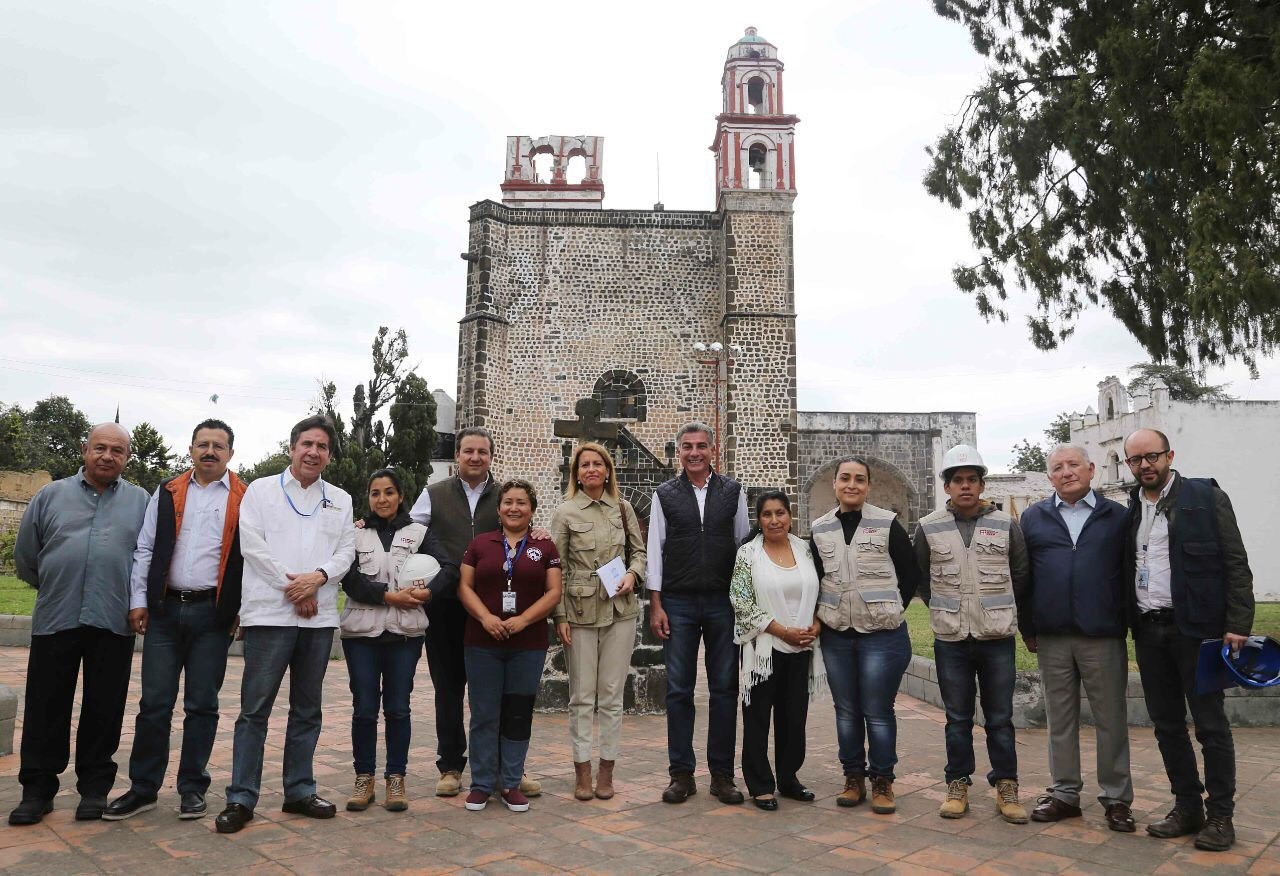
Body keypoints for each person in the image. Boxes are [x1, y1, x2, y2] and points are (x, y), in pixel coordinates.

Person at [215, 415, 356, 834]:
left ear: (329, 455)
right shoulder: (260, 491)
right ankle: (241, 797)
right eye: (306, 444)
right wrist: (293, 587)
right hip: (270, 614)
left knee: (307, 710)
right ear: (292, 447)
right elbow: (252, 545)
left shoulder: (341, 499)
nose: (313, 452)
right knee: (254, 711)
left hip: (318, 618)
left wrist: (318, 579)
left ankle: (299, 790)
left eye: (322, 447)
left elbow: (346, 549)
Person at [104, 420, 247, 823]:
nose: (210, 451)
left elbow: (251, 558)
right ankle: (144, 788)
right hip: (165, 613)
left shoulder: (244, 496)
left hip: (212, 616)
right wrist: (138, 601)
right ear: (190, 449)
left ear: (231, 454)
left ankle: (192, 788)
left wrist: (243, 609)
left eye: (218, 446)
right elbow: (145, 547)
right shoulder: (167, 491)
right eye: (203, 444)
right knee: (154, 705)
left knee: (202, 705)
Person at [9, 423, 149, 826]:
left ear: (127, 458)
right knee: (45, 706)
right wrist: (55, 582)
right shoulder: (50, 495)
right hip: (57, 615)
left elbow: (147, 554)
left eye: (117, 451)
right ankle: (37, 791)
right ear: (85, 449)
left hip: (112, 618)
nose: (108, 456)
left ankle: (94, 790)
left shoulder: (140, 501)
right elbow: (26, 555)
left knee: (104, 708)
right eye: (100, 448)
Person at [1123, 428, 1254, 852]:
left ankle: (1220, 816)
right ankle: (1187, 806)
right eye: (1135, 459)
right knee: (1167, 725)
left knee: (1211, 725)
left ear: (1169, 455)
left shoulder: (1205, 497)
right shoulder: (1130, 508)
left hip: (1197, 630)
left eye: (1152, 457)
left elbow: (1236, 561)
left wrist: (1238, 622)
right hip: (1149, 628)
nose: (1145, 465)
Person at [407, 426, 542, 799]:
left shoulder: (506, 496)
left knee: (500, 693)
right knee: (448, 689)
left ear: (491, 456)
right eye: (468, 451)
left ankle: (508, 768)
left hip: (495, 608)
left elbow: (525, 530)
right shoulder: (433, 495)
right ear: (457, 455)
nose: (475, 457)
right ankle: (450, 765)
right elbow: (407, 533)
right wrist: (368, 524)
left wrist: (541, 534)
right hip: (446, 606)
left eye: (482, 452)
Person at [1018, 445, 1134, 832]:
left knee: (1111, 719)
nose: (1066, 472)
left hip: (1102, 634)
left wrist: (1124, 620)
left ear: (1091, 469)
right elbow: (1023, 577)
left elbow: (1129, 572)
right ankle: (1065, 793)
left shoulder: (1117, 517)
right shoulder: (1033, 518)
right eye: (1057, 468)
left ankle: (1117, 798)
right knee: (1059, 719)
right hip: (1051, 635)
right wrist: (1028, 627)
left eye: (1073, 465)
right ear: (1049, 476)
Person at [913, 444, 1030, 824]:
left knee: (999, 718)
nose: (965, 486)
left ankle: (1007, 786)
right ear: (947, 486)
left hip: (996, 637)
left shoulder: (1005, 525)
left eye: (972, 480)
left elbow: (1021, 575)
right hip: (951, 639)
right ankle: (957, 784)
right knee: (957, 718)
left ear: (982, 484)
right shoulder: (929, 527)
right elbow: (922, 581)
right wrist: (946, 608)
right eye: (958, 480)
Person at [339, 468, 457, 813]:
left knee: (397, 708)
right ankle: (364, 779)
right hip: (361, 633)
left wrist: (426, 593)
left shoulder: (419, 533)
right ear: (369, 497)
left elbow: (448, 568)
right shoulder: (354, 534)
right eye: (375, 493)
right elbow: (350, 579)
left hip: (404, 634)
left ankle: (396, 778)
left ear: (401, 496)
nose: (382, 499)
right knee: (363, 709)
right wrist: (391, 597)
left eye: (389, 492)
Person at [647, 422, 750, 805]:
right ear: (679, 452)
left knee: (725, 688)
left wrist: (742, 601)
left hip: (724, 601)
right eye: (687, 446)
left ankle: (722, 775)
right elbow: (655, 550)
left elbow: (743, 546)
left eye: (701, 446)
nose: (695, 453)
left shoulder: (733, 492)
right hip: (679, 601)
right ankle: (681, 774)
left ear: (713, 450)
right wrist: (656, 604)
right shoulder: (665, 495)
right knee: (678, 690)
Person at [809, 457, 919, 814]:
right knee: (847, 711)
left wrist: (892, 609)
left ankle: (883, 780)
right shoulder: (820, 528)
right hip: (838, 632)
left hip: (881, 634)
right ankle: (853, 777)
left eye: (859, 479)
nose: (852, 485)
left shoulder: (886, 524)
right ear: (835, 484)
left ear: (867, 485)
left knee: (878, 710)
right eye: (845, 478)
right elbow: (816, 577)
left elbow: (909, 573)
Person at [457, 479, 562, 813]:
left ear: (531, 509)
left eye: (521, 503)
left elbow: (554, 592)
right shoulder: (480, 543)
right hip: (482, 641)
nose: (514, 508)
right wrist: (486, 618)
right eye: (508, 502)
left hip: (528, 643)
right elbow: (464, 586)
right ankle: (482, 784)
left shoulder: (545, 546)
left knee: (517, 714)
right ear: (499, 508)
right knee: (484, 712)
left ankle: (511, 783)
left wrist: (524, 620)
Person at [551, 443, 646, 801]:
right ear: (576, 473)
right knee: (581, 697)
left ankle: (606, 770)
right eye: (585, 464)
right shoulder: (565, 512)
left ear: (608, 471)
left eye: (598, 464)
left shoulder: (622, 509)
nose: (591, 469)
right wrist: (559, 615)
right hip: (579, 612)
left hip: (620, 611)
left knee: (611, 696)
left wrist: (634, 576)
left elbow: (638, 552)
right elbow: (555, 567)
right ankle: (582, 771)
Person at [730, 490, 824, 811]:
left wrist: (816, 624)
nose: (774, 520)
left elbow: (820, 590)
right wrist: (782, 630)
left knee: (794, 718)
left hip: (802, 647)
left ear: (790, 515)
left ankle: (788, 777)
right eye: (767, 514)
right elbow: (740, 600)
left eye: (780, 513)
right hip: (764, 649)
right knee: (757, 718)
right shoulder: (748, 554)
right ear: (759, 519)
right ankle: (760, 785)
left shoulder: (806, 550)